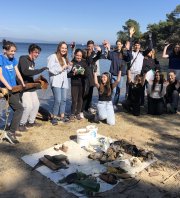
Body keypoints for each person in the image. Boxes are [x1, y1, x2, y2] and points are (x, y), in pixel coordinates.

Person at [18, 44, 48, 131]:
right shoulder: (23, 58)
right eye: (36, 52)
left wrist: (37, 81)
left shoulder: (32, 62)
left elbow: (30, 75)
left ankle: (31, 122)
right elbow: (25, 72)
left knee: (36, 105)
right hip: (23, 86)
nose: (37, 54)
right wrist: (40, 70)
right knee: (28, 106)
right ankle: (21, 124)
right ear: (31, 51)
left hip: (31, 86)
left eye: (38, 53)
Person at [0, 40, 25, 144]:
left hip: (15, 87)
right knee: (19, 108)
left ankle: (12, 128)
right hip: (5, 89)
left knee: (17, 108)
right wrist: (8, 86)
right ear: (5, 50)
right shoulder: (1, 59)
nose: (13, 53)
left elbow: (17, 71)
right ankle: (11, 132)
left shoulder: (13, 59)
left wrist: (22, 83)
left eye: (14, 51)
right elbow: (0, 75)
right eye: (11, 51)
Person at [102, 35, 133, 110]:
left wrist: (128, 49)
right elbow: (108, 57)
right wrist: (107, 48)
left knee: (118, 90)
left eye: (120, 44)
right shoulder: (113, 53)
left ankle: (114, 104)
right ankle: (110, 103)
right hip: (113, 74)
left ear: (122, 45)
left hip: (121, 75)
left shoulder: (124, 53)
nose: (118, 45)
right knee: (113, 90)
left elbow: (130, 58)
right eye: (117, 44)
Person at [47, 41, 72, 125]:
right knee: (57, 100)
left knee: (64, 100)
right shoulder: (53, 56)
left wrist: (70, 66)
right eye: (62, 48)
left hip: (64, 82)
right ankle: (54, 117)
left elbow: (66, 71)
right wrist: (62, 67)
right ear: (59, 48)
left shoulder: (65, 58)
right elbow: (50, 69)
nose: (64, 50)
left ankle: (62, 116)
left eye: (65, 48)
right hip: (56, 82)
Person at [82, 40, 102, 113]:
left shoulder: (94, 53)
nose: (90, 48)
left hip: (94, 74)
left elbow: (97, 57)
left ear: (93, 46)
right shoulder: (85, 53)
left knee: (91, 92)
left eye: (91, 46)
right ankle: (83, 109)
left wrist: (100, 51)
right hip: (86, 76)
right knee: (85, 92)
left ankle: (88, 107)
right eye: (89, 46)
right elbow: (89, 60)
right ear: (87, 46)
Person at [68, 49, 87, 120]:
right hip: (74, 84)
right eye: (77, 55)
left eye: (80, 56)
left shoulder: (84, 63)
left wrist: (83, 73)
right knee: (74, 99)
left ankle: (78, 113)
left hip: (82, 83)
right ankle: (72, 113)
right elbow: (67, 74)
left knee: (80, 99)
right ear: (75, 55)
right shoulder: (71, 63)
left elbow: (87, 74)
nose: (79, 57)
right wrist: (73, 74)